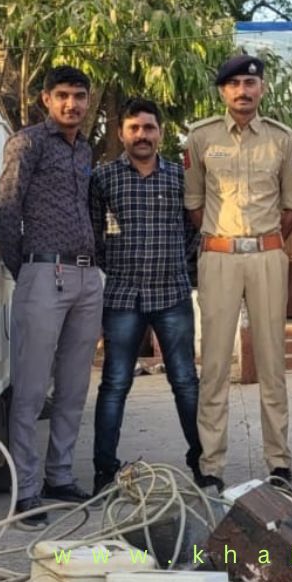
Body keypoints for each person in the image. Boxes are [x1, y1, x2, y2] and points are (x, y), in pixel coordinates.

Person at [185, 54, 292, 493]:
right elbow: (194, 203)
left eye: (250, 84)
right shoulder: (201, 138)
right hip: (219, 256)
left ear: (262, 89)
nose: (242, 91)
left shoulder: (281, 139)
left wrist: (264, 241)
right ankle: (211, 466)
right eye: (233, 84)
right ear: (222, 91)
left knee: (273, 362)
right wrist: (227, 240)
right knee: (215, 364)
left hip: (267, 255)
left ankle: (279, 463)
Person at [0, 65, 102, 529]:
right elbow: (7, 208)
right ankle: (26, 489)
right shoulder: (28, 143)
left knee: (74, 387)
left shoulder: (85, 150)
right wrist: (25, 268)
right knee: (32, 389)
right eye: (63, 95)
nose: (71, 104)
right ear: (46, 99)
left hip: (86, 276)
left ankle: (60, 476)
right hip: (43, 271)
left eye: (79, 96)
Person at [89, 99, 202, 494]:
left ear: (161, 133)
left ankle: (202, 463)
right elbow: (94, 234)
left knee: (185, 381)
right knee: (115, 384)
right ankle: (104, 470)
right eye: (134, 128)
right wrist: (117, 265)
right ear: (122, 133)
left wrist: (176, 262)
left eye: (149, 128)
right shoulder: (103, 179)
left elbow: (193, 229)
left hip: (172, 294)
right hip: (122, 296)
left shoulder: (179, 177)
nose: (142, 135)